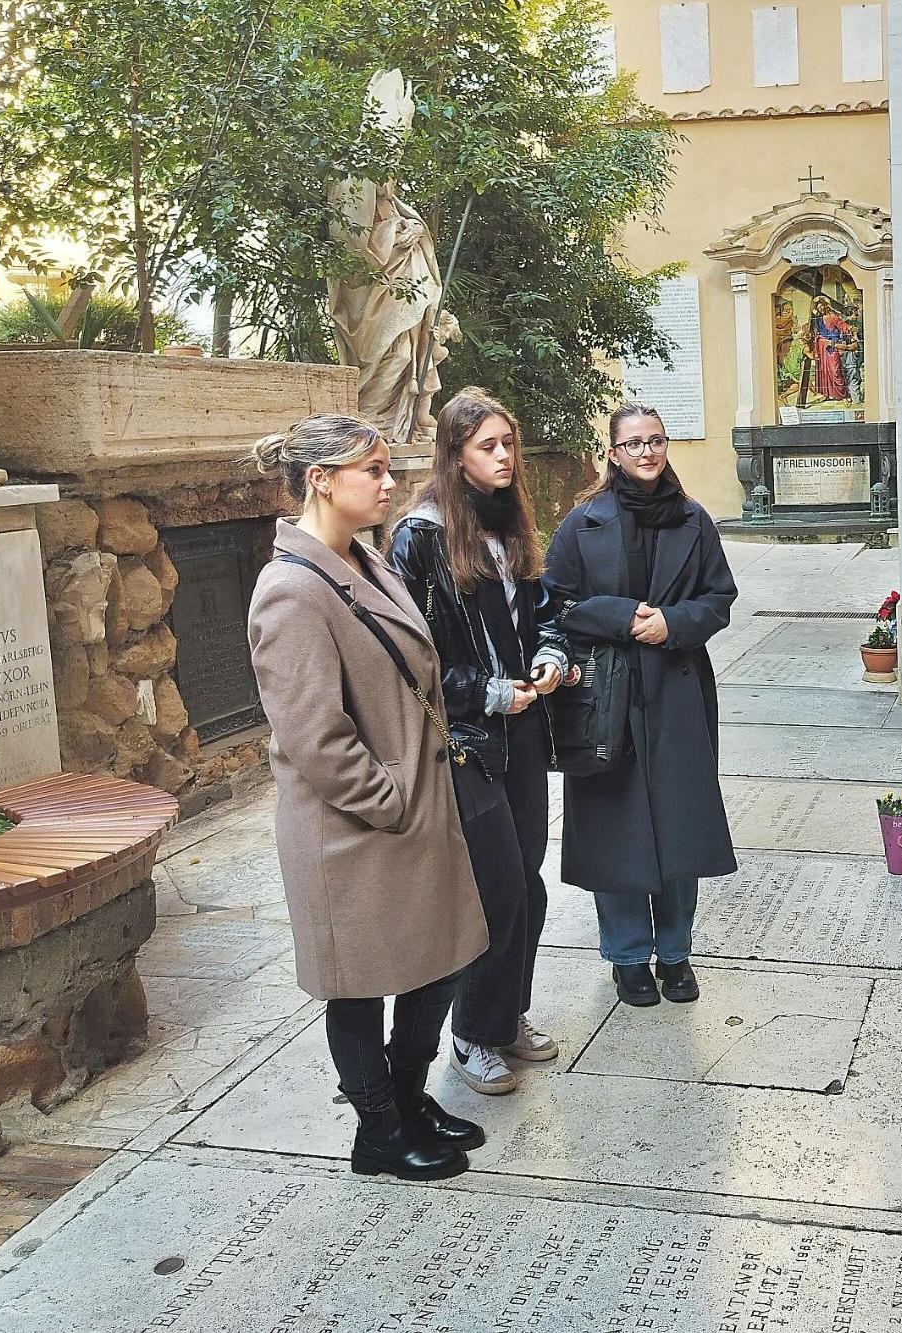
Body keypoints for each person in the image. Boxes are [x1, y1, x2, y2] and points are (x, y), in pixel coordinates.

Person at [245, 413, 490, 1182]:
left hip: (411, 807)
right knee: (358, 984)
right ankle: (378, 1128)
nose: (390, 484)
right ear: (320, 480)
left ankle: (408, 1097)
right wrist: (389, 799)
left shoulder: (363, 560)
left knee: (437, 959)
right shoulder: (290, 590)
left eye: (388, 469)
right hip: (353, 825)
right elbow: (314, 735)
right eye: (373, 471)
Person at [388, 389, 569, 1097]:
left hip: (524, 728)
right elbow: (413, 654)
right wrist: (488, 690)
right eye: (488, 446)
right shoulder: (421, 535)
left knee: (527, 880)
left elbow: (545, 604)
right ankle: (470, 1032)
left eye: (508, 443)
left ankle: (506, 1014)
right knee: (494, 884)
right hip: (464, 737)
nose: (503, 456)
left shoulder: (511, 521)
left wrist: (550, 655)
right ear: (455, 456)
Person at [544, 403, 738, 1005]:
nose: (647, 452)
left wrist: (673, 624)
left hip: (676, 689)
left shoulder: (693, 519)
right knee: (616, 825)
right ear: (613, 453)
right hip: (606, 692)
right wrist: (626, 618)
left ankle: (676, 952)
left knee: (680, 825)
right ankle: (628, 955)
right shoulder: (582, 525)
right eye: (633, 444)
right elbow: (556, 603)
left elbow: (720, 597)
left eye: (656, 441)